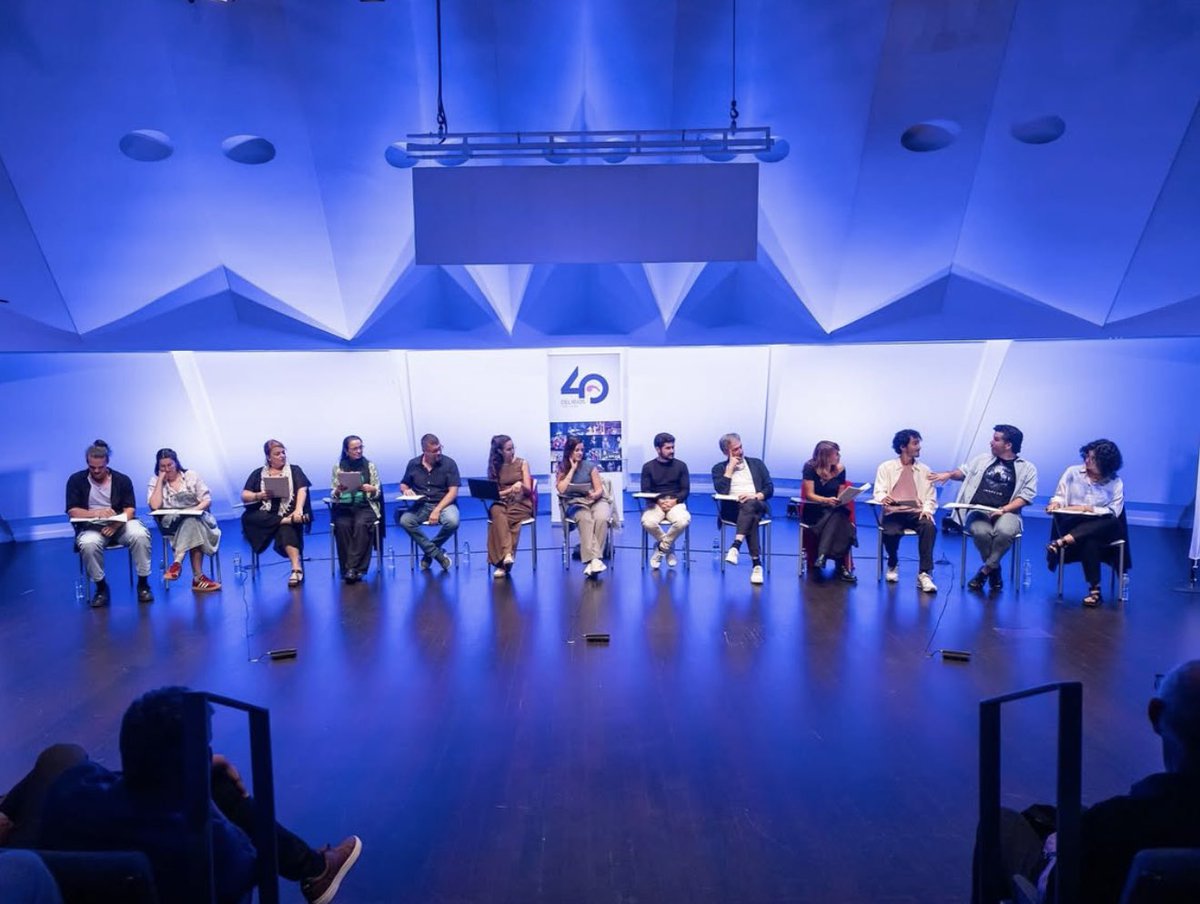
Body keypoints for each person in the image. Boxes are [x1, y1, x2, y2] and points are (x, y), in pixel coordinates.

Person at [1, 687, 360, 904]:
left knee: (64, 755)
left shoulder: (73, 788)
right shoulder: (219, 849)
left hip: (53, 860)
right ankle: (313, 870)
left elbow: (98, 775)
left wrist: (192, 770)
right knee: (219, 789)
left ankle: (314, 869)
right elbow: (241, 868)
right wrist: (198, 779)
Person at [972, 660, 1200, 904]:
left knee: (1001, 824)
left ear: (1155, 714)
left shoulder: (1113, 822)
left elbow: (1057, 891)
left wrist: (1056, 853)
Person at [931, 425, 1037, 593]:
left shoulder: (1027, 468)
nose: (991, 442)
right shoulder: (982, 459)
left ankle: (985, 571)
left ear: (1008, 445)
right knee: (981, 533)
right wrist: (949, 474)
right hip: (978, 511)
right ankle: (995, 569)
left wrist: (1003, 510)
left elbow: (1026, 496)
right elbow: (963, 472)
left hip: (1007, 512)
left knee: (1004, 532)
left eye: (996, 439)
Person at [65, 439, 154, 607]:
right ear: (87, 463)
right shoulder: (76, 480)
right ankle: (101, 587)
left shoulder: (122, 480)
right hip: (92, 526)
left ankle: (143, 584)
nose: (96, 471)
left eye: (100, 467)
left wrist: (115, 525)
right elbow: (72, 511)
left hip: (120, 524)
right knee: (88, 543)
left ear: (107, 462)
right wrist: (96, 513)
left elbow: (130, 510)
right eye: (92, 467)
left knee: (140, 534)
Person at [1046, 439, 1127, 608]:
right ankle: (1094, 591)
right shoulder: (1072, 472)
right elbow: (1060, 496)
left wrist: (1086, 508)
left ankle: (1062, 542)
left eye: (1093, 459)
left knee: (1109, 522)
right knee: (1089, 539)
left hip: (1103, 527)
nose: (1087, 461)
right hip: (1073, 524)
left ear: (1105, 463)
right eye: (1087, 456)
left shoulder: (1115, 482)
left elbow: (1113, 511)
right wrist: (1055, 503)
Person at [872, 429, 938, 593]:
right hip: (894, 512)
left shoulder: (924, 470)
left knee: (929, 527)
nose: (919, 447)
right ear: (902, 447)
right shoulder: (886, 467)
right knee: (889, 532)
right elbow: (879, 491)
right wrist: (883, 498)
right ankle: (893, 562)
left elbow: (930, 496)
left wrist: (927, 509)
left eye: (918, 443)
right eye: (915, 443)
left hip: (916, 512)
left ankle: (924, 573)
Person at [147, 448, 222, 593]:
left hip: (197, 517)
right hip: (171, 523)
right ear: (158, 466)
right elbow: (155, 505)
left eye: (170, 465)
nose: (167, 469)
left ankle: (177, 563)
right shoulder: (155, 481)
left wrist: (193, 511)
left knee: (191, 521)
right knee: (192, 524)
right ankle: (198, 578)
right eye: (162, 466)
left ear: (176, 463)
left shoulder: (191, 475)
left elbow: (206, 500)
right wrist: (160, 480)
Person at [240, 440, 312, 588]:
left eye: (283, 453)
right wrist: (259, 495)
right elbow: (244, 495)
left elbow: (302, 489)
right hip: (266, 513)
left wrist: (298, 510)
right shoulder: (258, 473)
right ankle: (286, 520)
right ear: (268, 457)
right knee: (248, 517)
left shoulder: (294, 470)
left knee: (286, 529)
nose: (282, 456)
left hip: (290, 511)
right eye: (277, 454)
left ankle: (296, 568)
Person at [711, 433, 773, 585]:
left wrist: (755, 496)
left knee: (750, 504)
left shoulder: (757, 464)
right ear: (726, 452)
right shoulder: (718, 469)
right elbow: (722, 491)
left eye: (740, 447)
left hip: (757, 503)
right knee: (751, 516)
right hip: (733, 510)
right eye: (735, 449)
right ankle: (756, 565)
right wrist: (730, 469)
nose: (740, 451)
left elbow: (769, 488)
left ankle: (735, 546)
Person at [399, 434, 460, 571]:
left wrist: (437, 510)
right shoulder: (413, 464)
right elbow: (404, 483)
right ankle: (437, 554)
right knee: (405, 521)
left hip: (444, 504)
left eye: (439, 449)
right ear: (424, 451)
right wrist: (406, 490)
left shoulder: (449, 464)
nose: (438, 453)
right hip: (421, 505)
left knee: (453, 522)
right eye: (434, 451)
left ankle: (428, 554)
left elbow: (453, 492)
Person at [801, 440, 857, 583]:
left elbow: (840, 495)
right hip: (815, 509)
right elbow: (809, 495)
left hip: (833, 509)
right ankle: (841, 566)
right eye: (836, 454)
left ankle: (822, 555)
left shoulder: (840, 469)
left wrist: (843, 497)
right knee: (841, 520)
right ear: (825, 456)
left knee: (838, 514)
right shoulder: (810, 467)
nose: (839, 456)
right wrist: (826, 500)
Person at [556, 435, 611, 577]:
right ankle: (595, 560)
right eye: (576, 450)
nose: (580, 453)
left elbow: (599, 490)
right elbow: (561, 489)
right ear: (569, 451)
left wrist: (594, 495)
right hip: (575, 502)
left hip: (594, 500)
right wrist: (572, 470)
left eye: (581, 450)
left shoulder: (590, 466)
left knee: (602, 518)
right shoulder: (562, 467)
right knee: (585, 518)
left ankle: (593, 561)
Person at [330, 435, 382, 584]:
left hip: (365, 505)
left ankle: (352, 568)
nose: (359, 451)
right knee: (342, 525)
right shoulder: (338, 467)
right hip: (345, 506)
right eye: (354, 449)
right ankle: (350, 569)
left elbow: (377, 492)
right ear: (346, 451)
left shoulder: (370, 466)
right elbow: (333, 493)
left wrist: (372, 489)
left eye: (360, 447)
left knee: (361, 524)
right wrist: (338, 491)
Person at [640, 432, 691, 570]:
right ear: (658, 449)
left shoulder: (681, 466)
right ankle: (669, 548)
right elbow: (645, 490)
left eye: (673, 447)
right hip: (655, 503)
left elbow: (685, 490)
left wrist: (674, 501)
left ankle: (661, 548)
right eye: (668, 448)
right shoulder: (648, 467)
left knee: (683, 521)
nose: (672, 450)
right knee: (647, 522)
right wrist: (658, 501)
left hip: (675, 502)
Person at [486, 435, 533, 578]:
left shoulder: (522, 463)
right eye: (508, 449)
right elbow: (495, 494)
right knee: (496, 511)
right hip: (502, 501)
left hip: (521, 502)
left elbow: (529, 490)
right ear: (500, 451)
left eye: (513, 448)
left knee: (500, 521)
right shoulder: (495, 466)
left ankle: (502, 564)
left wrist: (521, 486)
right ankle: (507, 554)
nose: (512, 451)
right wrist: (510, 490)